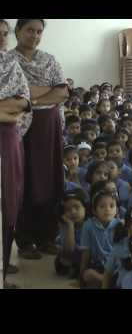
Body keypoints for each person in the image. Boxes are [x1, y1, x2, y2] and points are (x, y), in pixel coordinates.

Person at [10, 19, 69, 259]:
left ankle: (47, 236)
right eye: (29, 30)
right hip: (20, 128)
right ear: (17, 32)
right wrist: (44, 92)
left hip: (49, 126)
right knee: (24, 181)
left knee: (50, 178)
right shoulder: (7, 61)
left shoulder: (50, 60)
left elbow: (62, 92)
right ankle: (25, 241)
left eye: (39, 31)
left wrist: (30, 98)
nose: (34, 35)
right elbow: (12, 93)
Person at [0, 19, 33, 286]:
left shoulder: (9, 64)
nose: (2, 39)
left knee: (9, 199)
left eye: (4, 34)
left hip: (8, 139)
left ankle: (2, 267)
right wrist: (3, 111)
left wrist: (8, 112)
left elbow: (23, 101)